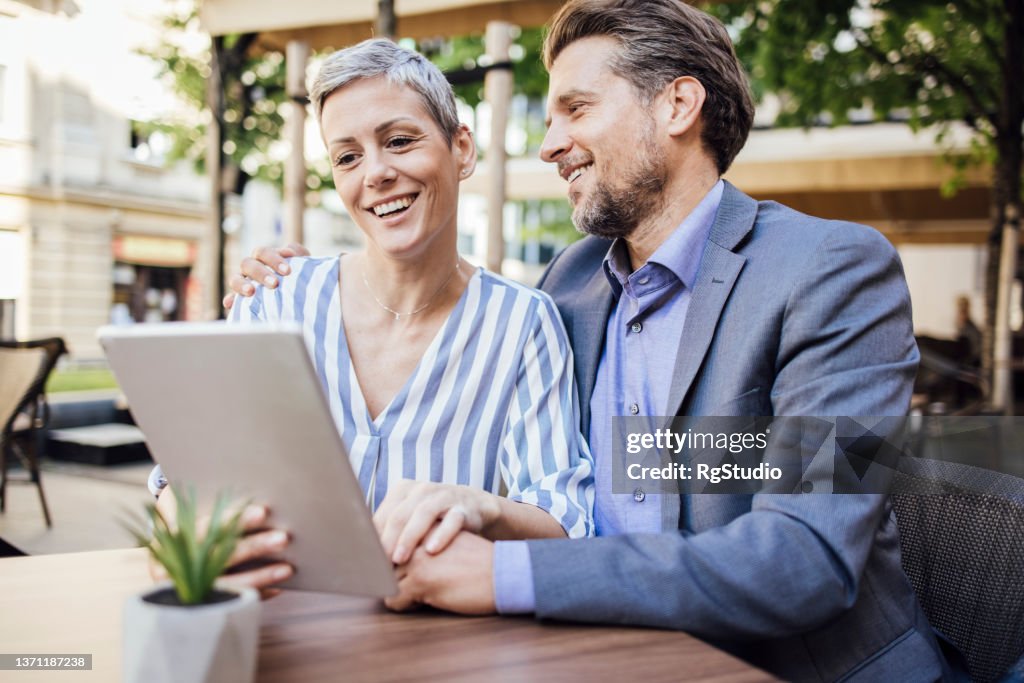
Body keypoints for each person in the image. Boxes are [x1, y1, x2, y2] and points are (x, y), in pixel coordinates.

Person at [229, 2, 955, 680]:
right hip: (602, 656)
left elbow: (807, 557)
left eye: (576, 109)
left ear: (678, 105)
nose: (549, 145)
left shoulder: (831, 271)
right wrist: (287, 281)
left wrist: (501, 574)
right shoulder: (570, 284)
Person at [152, 38, 595, 592]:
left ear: (461, 149)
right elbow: (181, 478)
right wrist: (185, 530)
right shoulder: (274, 299)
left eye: (399, 141)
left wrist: (476, 505)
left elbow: (566, 522)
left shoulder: (523, 323)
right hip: (274, 621)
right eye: (347, 157)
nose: (376, 173)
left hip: (426, 631)